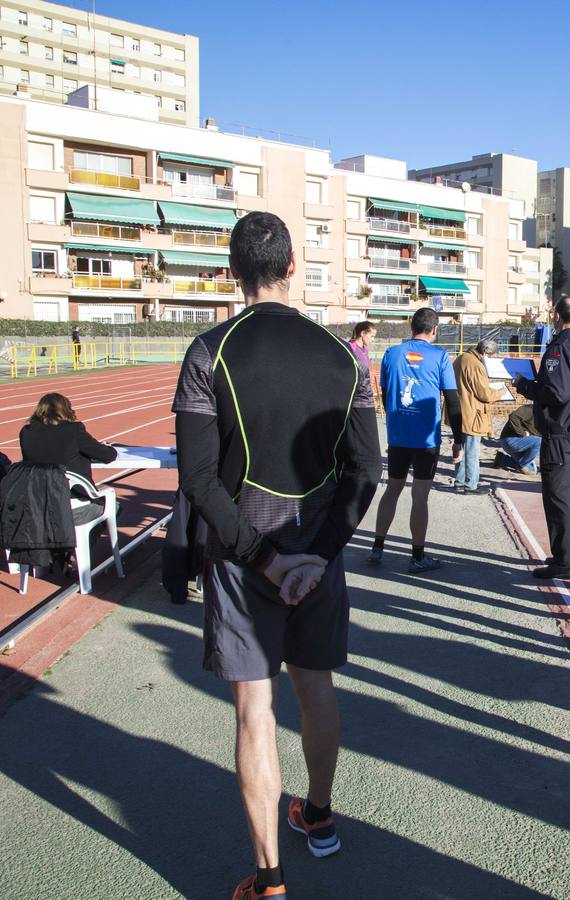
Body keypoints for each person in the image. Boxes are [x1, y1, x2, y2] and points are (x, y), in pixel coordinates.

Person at [172, 211, 378, 900]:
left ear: (234, 272)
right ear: (293, 268)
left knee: (253, 710)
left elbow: (198, 480)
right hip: (314, 552)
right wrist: (315, 557)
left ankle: (270, 881)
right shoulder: (346, 358)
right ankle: (318, 816)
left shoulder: (207, 353)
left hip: (241, 557)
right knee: (315, 686)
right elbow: (365, 472)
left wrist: (262, 559)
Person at [512, 296, 570, 581]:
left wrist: (524, 385)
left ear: (558, 318)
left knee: (558, 496)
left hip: (562, 430)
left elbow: (557, 393)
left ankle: (565, 560)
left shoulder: (561, 346)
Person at [369, 306, 462, 573]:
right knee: (419, 496)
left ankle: (377, 548)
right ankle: (417, 556)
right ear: (435, 330)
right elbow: (452, 402)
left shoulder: (391, 353)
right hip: (426, 438)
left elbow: (386, 396)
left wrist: (396, 420)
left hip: (398, 436)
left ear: (412, 327)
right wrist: (459, 439)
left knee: (392, 489)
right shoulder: (440, 356)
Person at [19, 392, 119, 485]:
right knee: (114, 502)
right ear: (65, 410)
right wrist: (109, 448)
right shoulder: (73, 429)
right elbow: (107, 455)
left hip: (37, 490)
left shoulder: (26, 431)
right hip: (71, 489)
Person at [453, 339, 501, 494]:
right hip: (473, 413)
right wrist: (501, 392)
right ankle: (471, 485)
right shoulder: (475, 364)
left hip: (460, 411)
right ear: (485, 352)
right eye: (491, 356)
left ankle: (460, 481)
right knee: (472, 451)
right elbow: (484, 394)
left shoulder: (461, 358)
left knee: (463, 448)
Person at [346, 321, 382, 517]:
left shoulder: (365, 349)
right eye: (371, 335)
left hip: (367, 399)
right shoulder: (349, 348)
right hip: (358, 402)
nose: (373, 339)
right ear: (361, 333)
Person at [495, 404, 541, 474]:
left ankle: (502, 459)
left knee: (532, 470)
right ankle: (521, 465)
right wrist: (523, 433)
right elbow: (513, 416)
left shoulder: (543, 418)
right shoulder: (530, 409)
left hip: (518, 444)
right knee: (539, 442)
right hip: (510, 440)